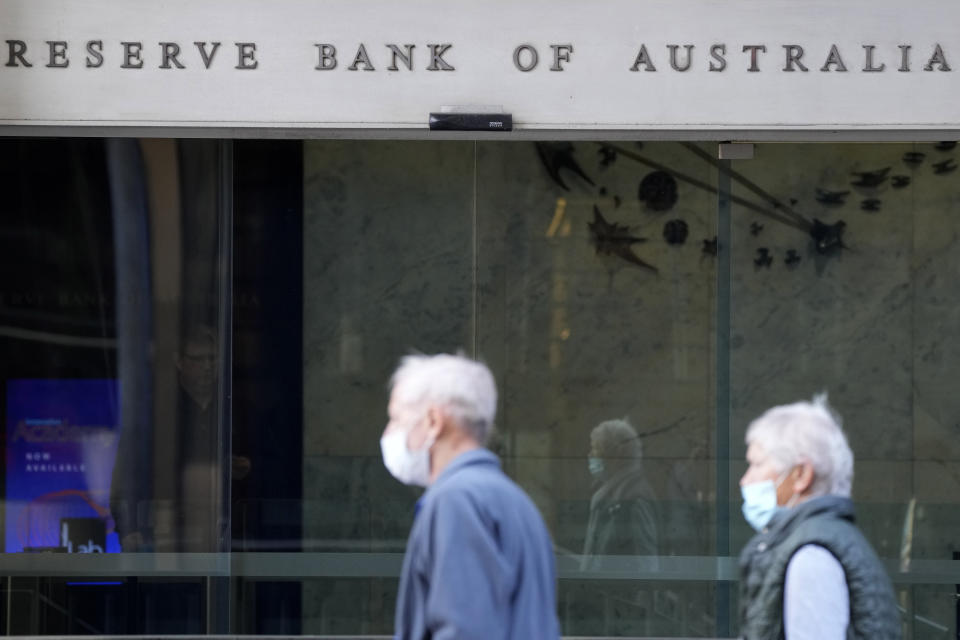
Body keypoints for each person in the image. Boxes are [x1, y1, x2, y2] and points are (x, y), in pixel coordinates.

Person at [381, 353, 560, 640]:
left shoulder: (455, 502)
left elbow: (465, 630)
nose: (390, 433)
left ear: (433, 421)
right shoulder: (517, 502)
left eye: (396, 419)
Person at [738, 396, 901, 640]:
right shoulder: (822, 541)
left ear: (801, 475)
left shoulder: (811, 555)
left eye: (757, 465)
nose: (745, 480)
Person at [581, 418, 658, 569]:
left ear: (614, 455)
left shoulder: (634, 500)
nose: (590, 455)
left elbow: (647, 568)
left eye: (595, 449)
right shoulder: (610, 495)